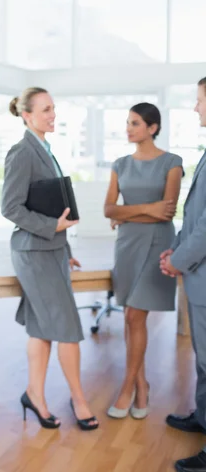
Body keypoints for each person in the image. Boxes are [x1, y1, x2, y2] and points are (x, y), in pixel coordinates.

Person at [1, 87, 98, 431]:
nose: (52, 115)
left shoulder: (45, 149)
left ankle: (35, 394)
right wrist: (51, 227)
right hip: (33, 252)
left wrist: (66, 249)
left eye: (53, 108)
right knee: (68, 330)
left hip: (51, 250)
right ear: (26, 115)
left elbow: (53, 204)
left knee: (42, 329)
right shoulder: (22, 152)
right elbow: (10, 207)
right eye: (45, 110)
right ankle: (79, 400)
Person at [104, 103, 183, 420]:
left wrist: (132, 211)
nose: (128, 128)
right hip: (127, 245)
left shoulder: (172, 162)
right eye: (127, 122)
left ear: (152, 127)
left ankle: (127, 388)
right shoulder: (120, 163)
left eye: (135, 123)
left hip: (156, 244)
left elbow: (169, 208)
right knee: (129, 317)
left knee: (136, 316)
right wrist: (149, 209)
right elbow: (109, 209)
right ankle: (142, 384)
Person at [161, 79, 206, 472]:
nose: (196, 108)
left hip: (203, 275)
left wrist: (178, 260)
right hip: (197, 274)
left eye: (199, 101)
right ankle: (203, 418)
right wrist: (176, 249)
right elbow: (192, 217)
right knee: (204, 360)